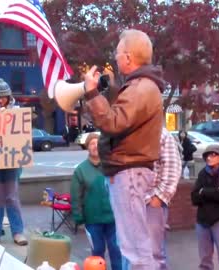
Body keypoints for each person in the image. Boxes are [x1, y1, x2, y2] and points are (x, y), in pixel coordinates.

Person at [79, 29, 165, 269]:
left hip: (128, 173)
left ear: (128, 57)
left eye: (117, 54)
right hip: (131, 172)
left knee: (135, 249)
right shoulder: (142, 87)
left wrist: (92, 93)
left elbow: (112, 122)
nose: (115, 59)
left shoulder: (140, 88)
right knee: (136, 245)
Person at [0, 78, 27, 245]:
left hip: (11, 161)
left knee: (12, 197)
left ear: (9, 97)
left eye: (4, 97)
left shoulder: (17, 111)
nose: (1, 101)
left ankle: (17, 231)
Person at [70, 133, 122, 270]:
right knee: (97, 252)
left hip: (113, 218)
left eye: (98, 143)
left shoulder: (111, 166)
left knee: (116, 250)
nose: (95, 146)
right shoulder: (81, 170)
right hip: (93, 219)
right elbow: (76, 195)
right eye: (92, 143)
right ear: (87, 147)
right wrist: (78, 216)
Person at [146, 127, 182, 269]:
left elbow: (172, 167)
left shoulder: (160, 133)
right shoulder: (126, 130)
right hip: (129, 203)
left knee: (154, 254)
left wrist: (159, 198)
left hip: (151, 202)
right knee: (129, 252)